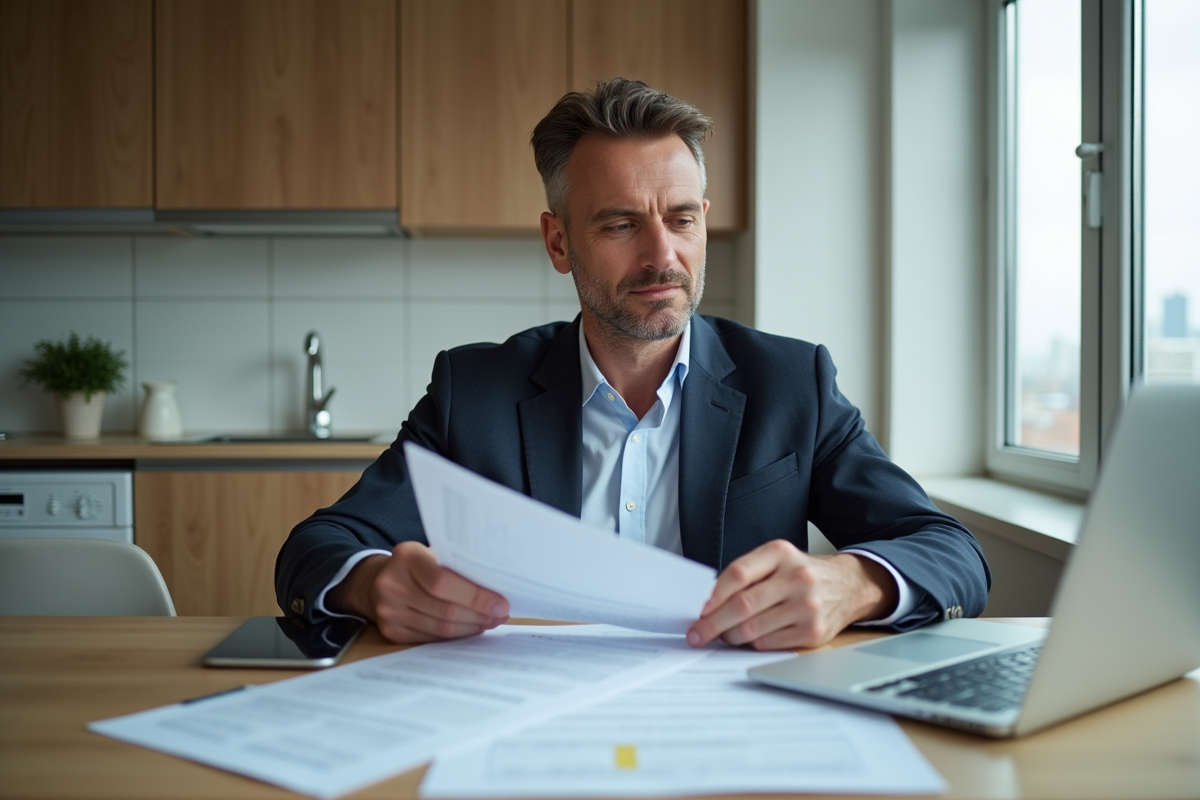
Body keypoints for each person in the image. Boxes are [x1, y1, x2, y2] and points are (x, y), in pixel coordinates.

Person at [275, 78, 990, 651]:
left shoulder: (791, 383)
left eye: (681, 219)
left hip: (734, 730)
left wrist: (851, 583)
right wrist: (372, 585)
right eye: (620, 224)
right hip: (522, 723)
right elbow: (318, 548)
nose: (662, 257)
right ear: (558, 243)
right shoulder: (476, 392)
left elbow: (948, 551)